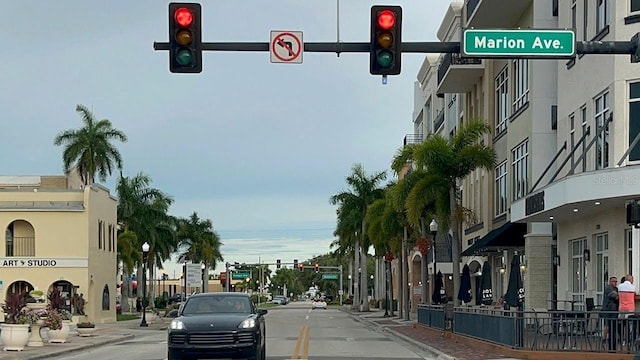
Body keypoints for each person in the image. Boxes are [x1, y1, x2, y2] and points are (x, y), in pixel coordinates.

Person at [602, 276, 619, 351]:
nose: (615, 283)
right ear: (610, 282)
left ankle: (610, 342)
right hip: (608, 310)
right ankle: (604, 338)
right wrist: (615, 295)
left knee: (611, 327)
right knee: (608, 325)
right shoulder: (608, 288)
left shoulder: (616, 289)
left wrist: (617, 294)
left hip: (613, 310)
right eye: (613, 281)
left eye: (616, 281)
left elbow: (617, 296)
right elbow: (613, 296)